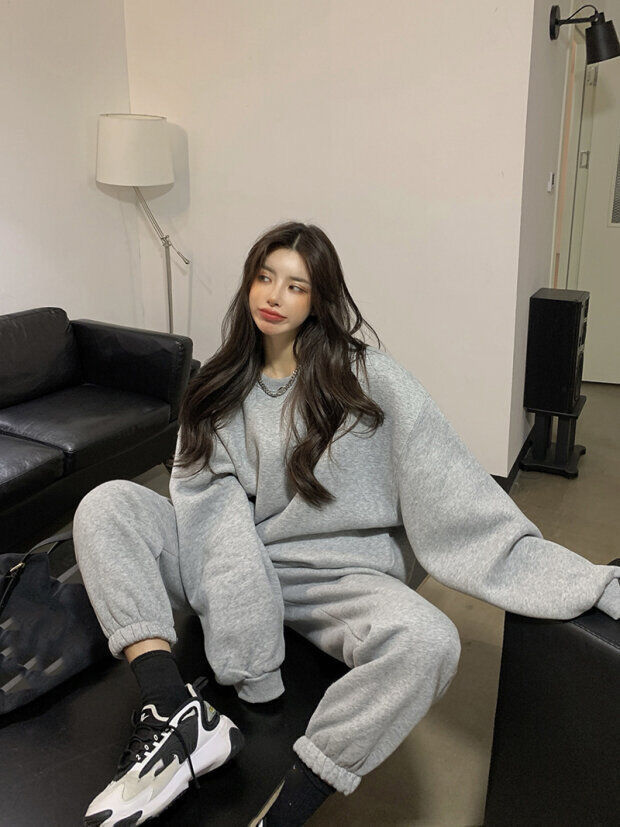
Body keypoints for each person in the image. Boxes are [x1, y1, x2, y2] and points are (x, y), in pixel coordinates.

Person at [73, 221, 620, 827]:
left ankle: (283, 814)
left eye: (296, 286)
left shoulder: (369, 379)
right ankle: (172, 713)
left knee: (429, 642)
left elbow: (457, 495)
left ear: (319, 299)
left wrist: (585, 581)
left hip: (332, 577)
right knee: (107, 504)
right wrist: (249, 647)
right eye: (264, 277)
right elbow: (208, 516)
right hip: (225, 562)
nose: (274, 297)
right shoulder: (217, 387)